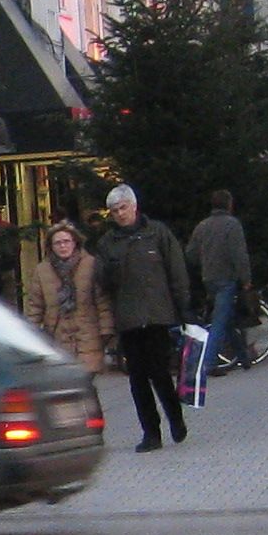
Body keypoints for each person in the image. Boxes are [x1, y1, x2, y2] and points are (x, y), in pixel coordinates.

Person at [93, 182, 194, 450]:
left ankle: (176, 418)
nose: (119, 214)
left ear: (134, 206)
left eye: (123, 208)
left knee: (160, 373)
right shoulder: (107, 243)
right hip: (128, 319)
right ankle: (151, 432)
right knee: (137, 379)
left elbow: (176, 270)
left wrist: (184, 306)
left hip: (157, 314)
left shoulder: (157, 233)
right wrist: (109, 273)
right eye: (114, 210)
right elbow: (100, 281)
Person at [20, 218, 112, 371]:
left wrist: (106, 331)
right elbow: (35, 307)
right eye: (58, 243)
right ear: (51, 246)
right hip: (57, 338)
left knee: (86, 383)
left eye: (66, 241)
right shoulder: (42, 271)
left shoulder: (90, 264)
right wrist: (31, 335)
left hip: (88, 337)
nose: (63, 246)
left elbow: (102, 301)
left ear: (75, 242)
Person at [187, 189, 254, 372]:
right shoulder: (232, 225)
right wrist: (245, 278)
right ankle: (206, 364)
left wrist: (205, 261)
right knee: (220, 322)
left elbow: (191, 254)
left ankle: (243, 357)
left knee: (227, 318)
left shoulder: (202, 226)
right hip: (227, 278)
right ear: (229, 204)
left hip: (209, 278)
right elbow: (239, 254)